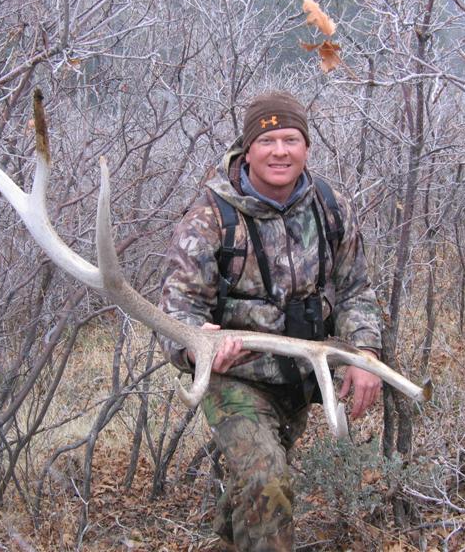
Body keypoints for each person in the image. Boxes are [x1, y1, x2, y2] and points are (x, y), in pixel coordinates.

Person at [159, 91, 383, 551]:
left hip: (301, 378)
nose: (279, 151)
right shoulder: (209, 220)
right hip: (236, 380)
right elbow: (176, 315)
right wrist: (197, 344)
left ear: (306, 147)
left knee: (256, 491)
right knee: (266, 478)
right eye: (267, 141)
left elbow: (357, 289)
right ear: (247, 148)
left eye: (291, 139)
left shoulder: (329, 207)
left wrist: (365, 354)